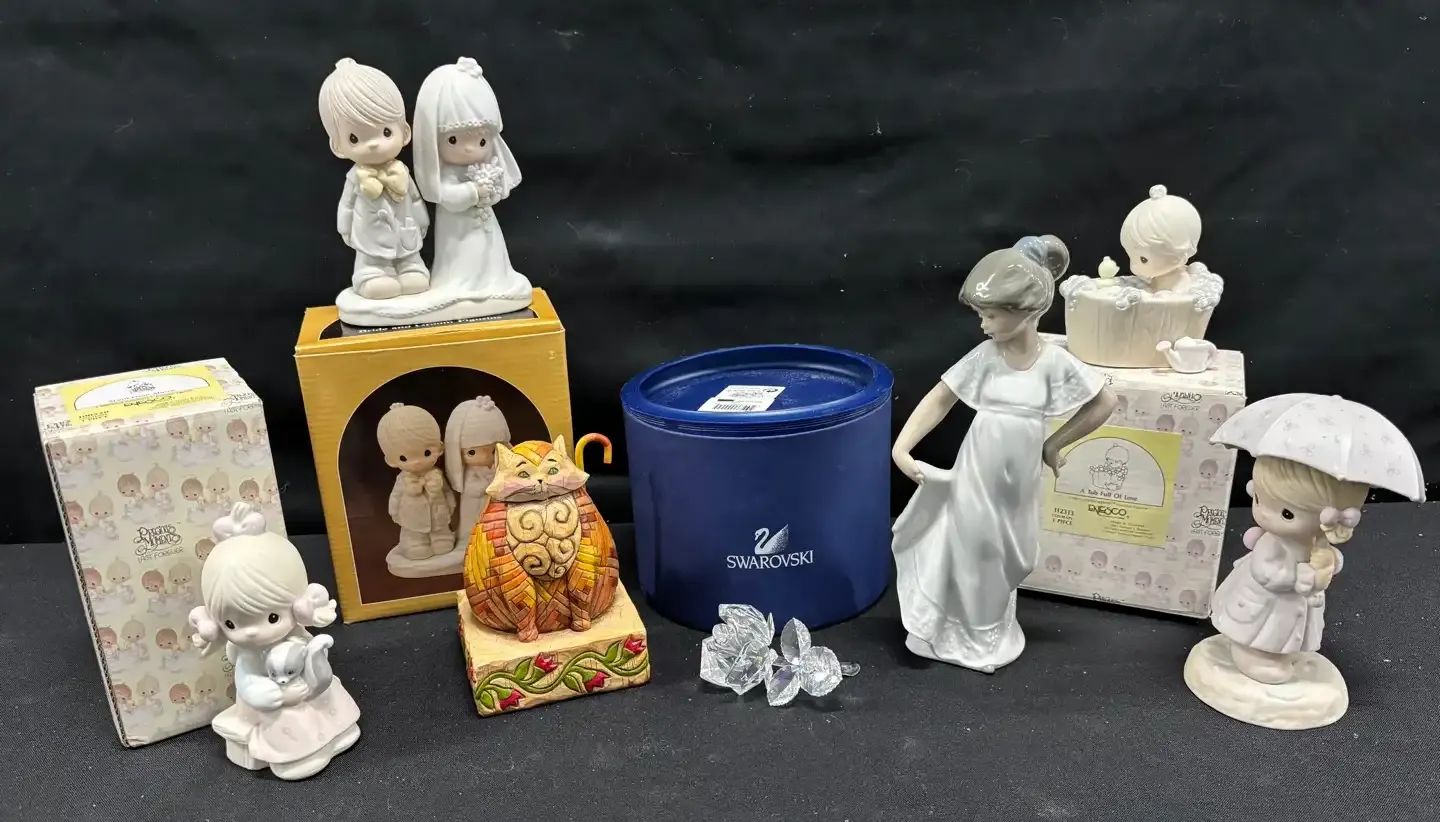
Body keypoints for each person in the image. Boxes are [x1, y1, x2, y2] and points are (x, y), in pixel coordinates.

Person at [890, 235, 1116, 673]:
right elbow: (940, 398)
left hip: (1018, 484)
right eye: (981, 314)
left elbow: (1104, 402)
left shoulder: (1053, 362)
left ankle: (988, 631)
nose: (983, 325)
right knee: (974, 549)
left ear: (1027, 311)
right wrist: (902, 446)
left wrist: (1055, 443)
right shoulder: (986, 357)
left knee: (1014, 555)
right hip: (977, 472)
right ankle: (971, 636)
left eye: (991, 315)